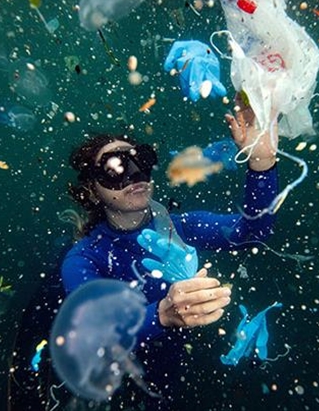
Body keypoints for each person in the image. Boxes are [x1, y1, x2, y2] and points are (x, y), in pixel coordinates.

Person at [60, 97, 279, 406]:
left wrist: (262, 164)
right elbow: (97, 336)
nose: (134, 175)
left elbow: (253, 232)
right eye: (115, 167)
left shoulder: (181, 226)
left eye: (141, 160)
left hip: (193, 368)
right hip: (130, 382)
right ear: (92, 190)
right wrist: (162, 314)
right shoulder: (85, 258)